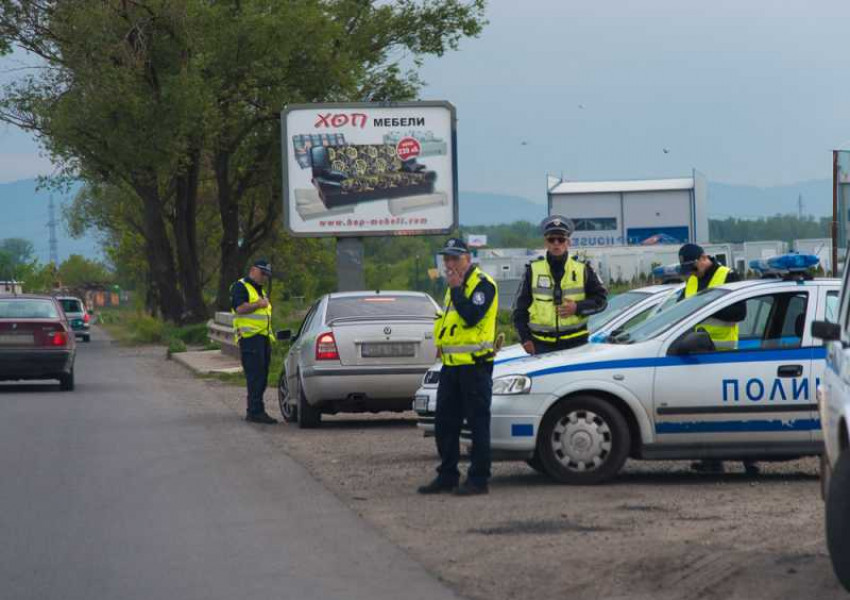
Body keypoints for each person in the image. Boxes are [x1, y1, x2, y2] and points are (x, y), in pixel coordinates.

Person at [418, 238, 498, 496]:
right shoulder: (452, 289)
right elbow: (448, 322)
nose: (450, 264)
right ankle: (448, 475)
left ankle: (479, 479)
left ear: (468, 259)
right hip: (451, 367)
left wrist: (456, 290)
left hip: (475, 367)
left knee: (477, 424)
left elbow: (472, 316)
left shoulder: (482, 285)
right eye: (447, 259)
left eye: (455, 258)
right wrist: (441, 343)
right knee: (444, 424)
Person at [676, 243, 755, 475]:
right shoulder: (691, 280)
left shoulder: (727, 276)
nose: (691, 272)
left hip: (723, 352)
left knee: (733, 410)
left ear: (703, 258)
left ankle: (749, 460)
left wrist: (706, 309)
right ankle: (712, 460)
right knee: (704, 409)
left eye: (693, 267)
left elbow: (739, 313)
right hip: (697, 352)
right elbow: (680, 310)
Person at [513, 215, 608, 355]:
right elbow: (519, 311)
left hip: (577, 346)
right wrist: (525, 340)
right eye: (551, 239)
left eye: (561, 239)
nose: (556, 243)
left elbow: (602, 301)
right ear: (546, 242)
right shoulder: (532, 270)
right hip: (541, 346)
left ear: (568, 242)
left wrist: (578, 307)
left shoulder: (583, 268)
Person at [231, 259, 277, 425]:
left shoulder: (260, 290)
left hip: (262, 337)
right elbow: (240, 308)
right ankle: (255, 411)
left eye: (266, 275)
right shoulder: (240, 286)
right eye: (262, 273)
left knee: (262, 376)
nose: (264, 277)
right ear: (253, 270)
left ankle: (257, 409)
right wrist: (259, 304)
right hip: (250, 339)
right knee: (255, 376)